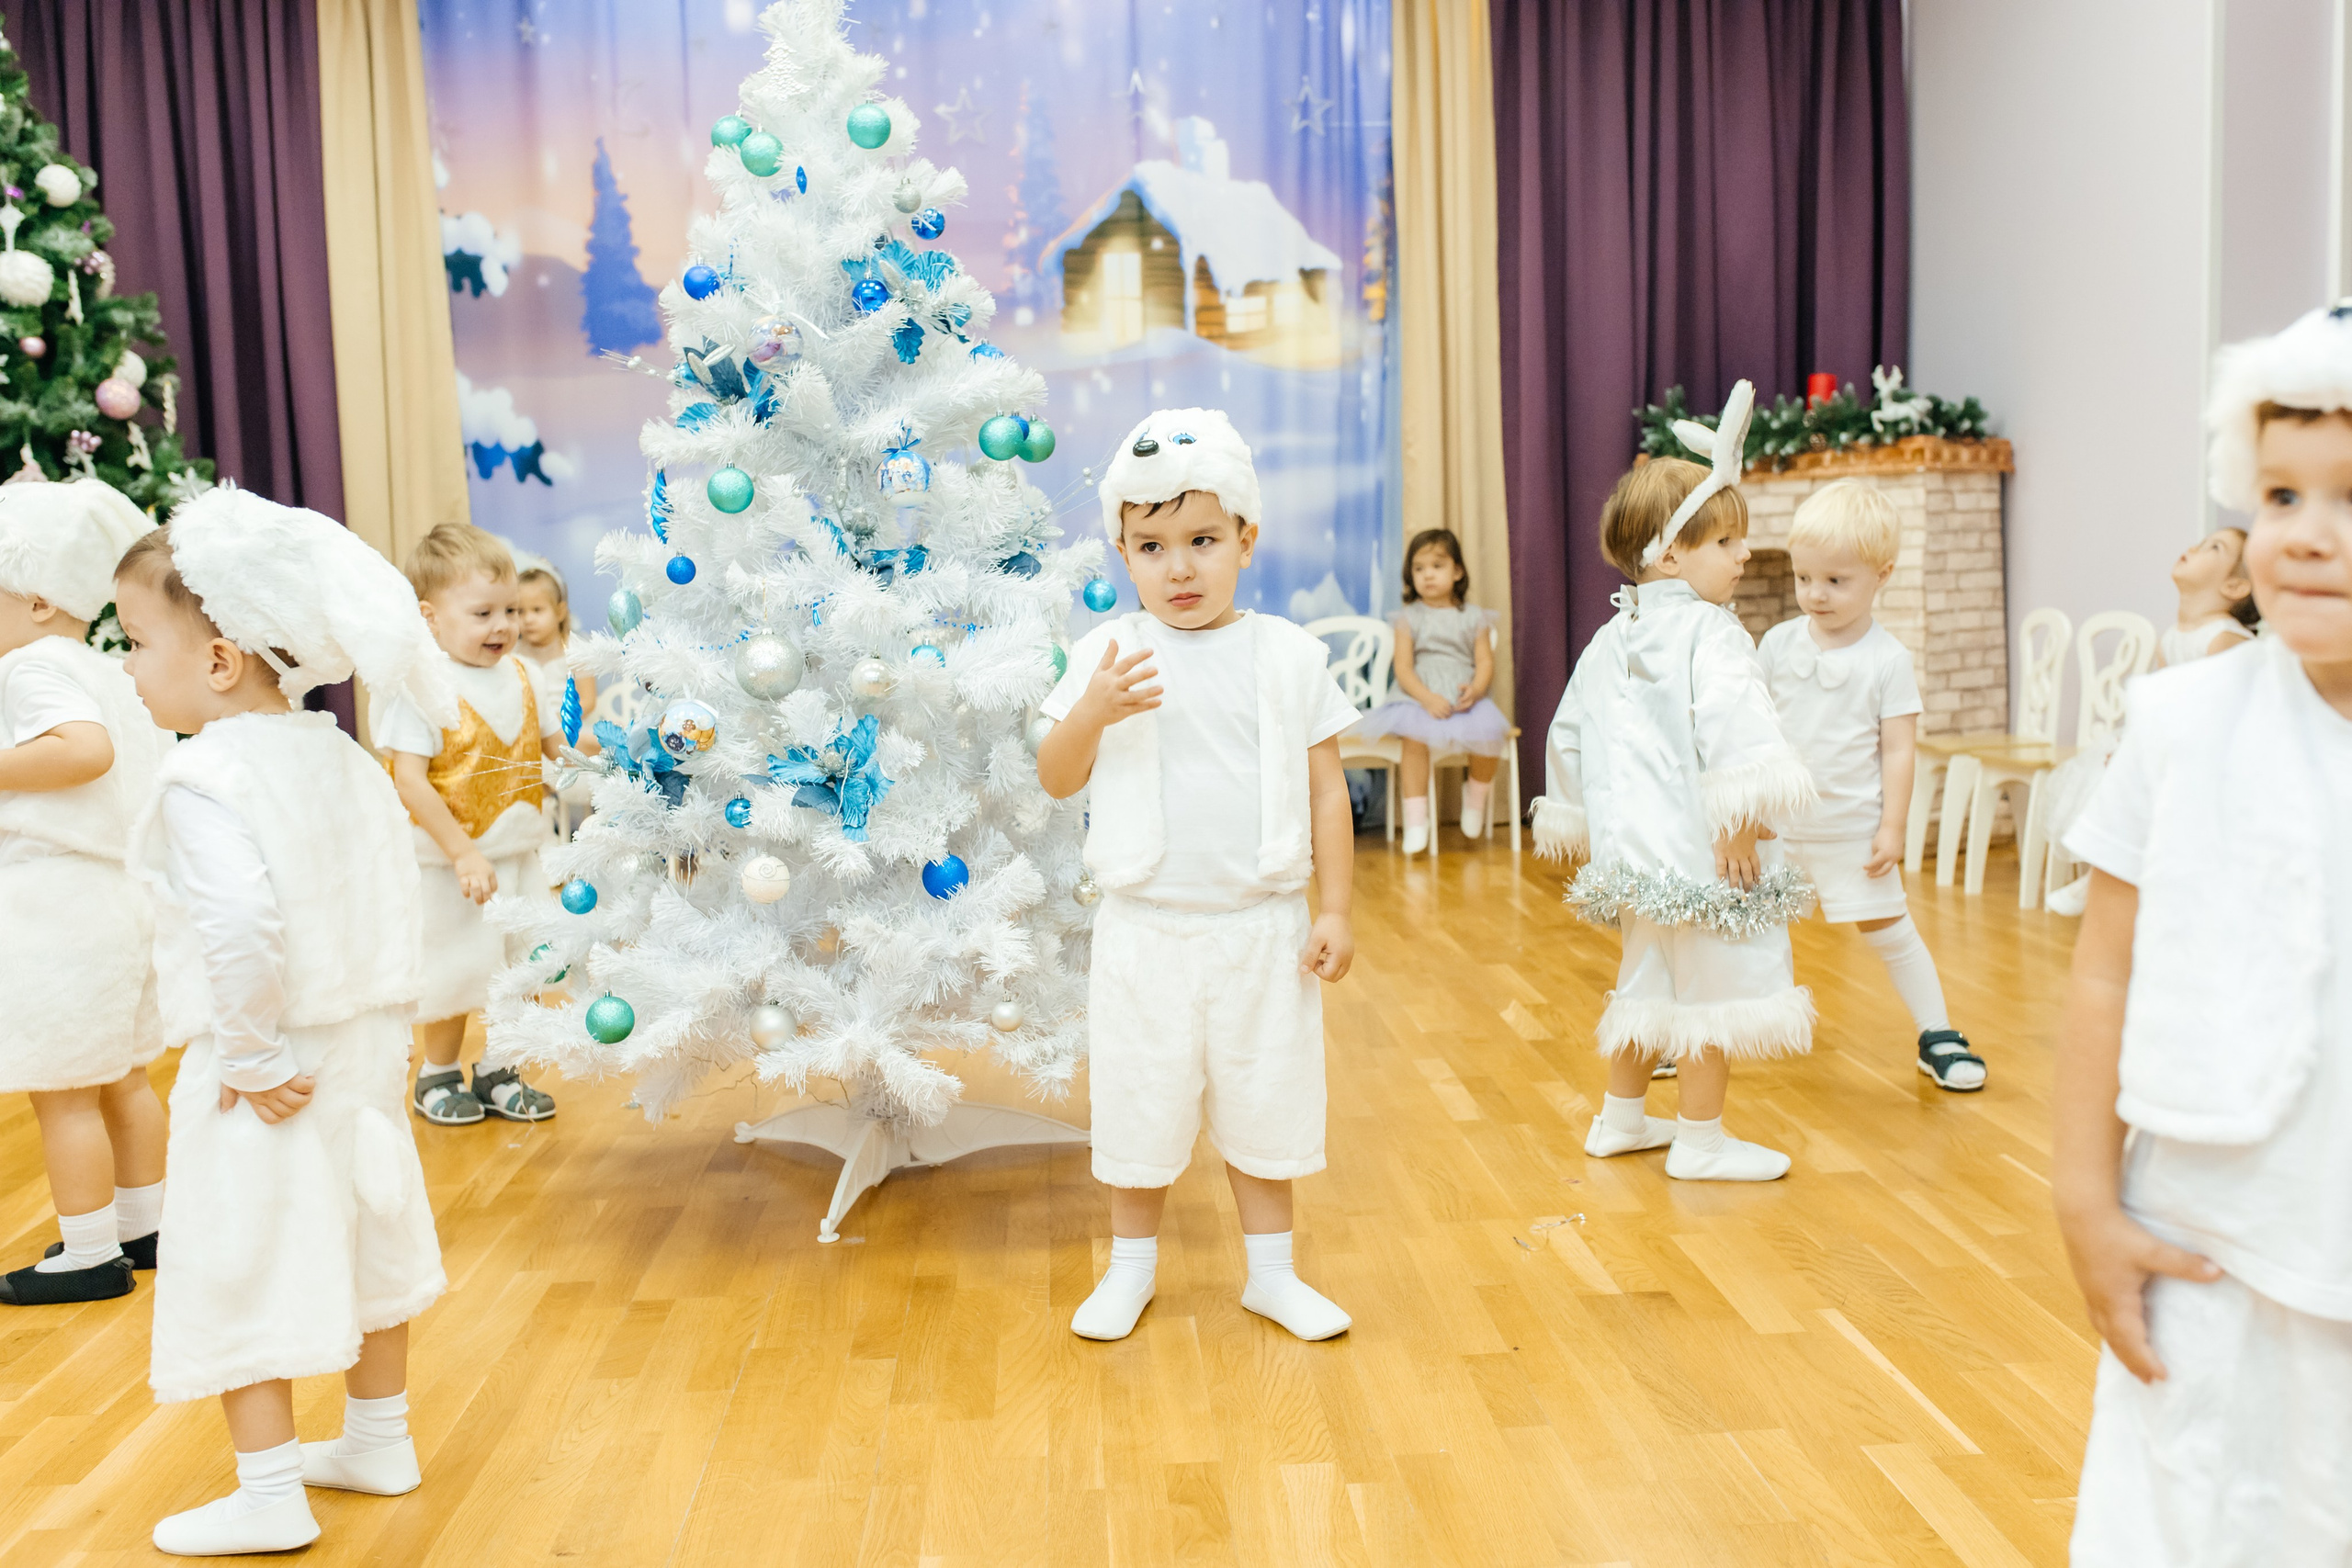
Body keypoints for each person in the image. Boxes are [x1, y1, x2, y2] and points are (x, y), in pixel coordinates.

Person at [2055, 303, 2352, 1566]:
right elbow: (2101, 970)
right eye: (2281, 494)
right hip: (2204, 1237)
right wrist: (2084, 1199)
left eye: (2348, 496)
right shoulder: (2180, 722)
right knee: (2183, 1518)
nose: (2306, 534)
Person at [114, 489, 450, 1555]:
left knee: (240, 1250)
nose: (125, 668)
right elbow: (391, 892)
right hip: (360, 1045)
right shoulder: (345, 759)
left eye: (133, 643)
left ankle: (266, 1495)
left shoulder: (204, 774)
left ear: (216, 661)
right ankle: (376, 1437)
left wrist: (252, 1053)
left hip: (267, 1058)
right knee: (368, 1224)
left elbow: (241, 927)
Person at [1036, 408, 1362, 1343]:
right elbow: (1057, 778)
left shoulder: (1288, 656)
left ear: (1246, 540)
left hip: (1261, 930)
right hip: (1145, 932)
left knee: (1266, 1096)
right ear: (1122, 554)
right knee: (1141, 1100)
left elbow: (1327, 792)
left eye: (1202, 540)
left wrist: (1333, 907)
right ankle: (1128, 1272)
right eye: (1151, 546)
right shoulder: (1107, 653)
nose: (1178, 567)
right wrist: (1090, 712)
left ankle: (1271, 1275)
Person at [1534, 383, 1816, 1180]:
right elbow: (1732, 726)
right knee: (1713, 993)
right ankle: (1700, 1140)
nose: (1744, 556)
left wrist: (1584, 826)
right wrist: (1735, 824)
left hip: (1637, 857)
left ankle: (1620, 1120)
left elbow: (1568, 735)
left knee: (1647, 979)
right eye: (1725, 542)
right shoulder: (1711, 634)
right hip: (1701, 854)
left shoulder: (1612, 634)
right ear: (1668, 553)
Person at [0, 479, 172, 1305]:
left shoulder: (30, 667)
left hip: (59, 906)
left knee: (61, 1089)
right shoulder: (106, 666)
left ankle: (88, 1251)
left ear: (35, 602)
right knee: (125, 1077)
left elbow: (84, 752)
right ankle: (146, 1225)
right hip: (120, 899)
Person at [1757, 480, 1984, 1091]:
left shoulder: (1887, 659)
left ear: (1881, 575)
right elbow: (1749, 726)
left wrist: (1892, 826)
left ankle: (1937, 1032)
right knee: (1737, 927)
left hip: (1850, 830)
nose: (1815, 594)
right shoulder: (1778, 644)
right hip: (1774, 825)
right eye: (1805, 578)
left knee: (1889, 930)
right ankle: (1695, 1030)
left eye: (1836, 580)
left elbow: (1899, 747)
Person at [373, 523, 560, 1126]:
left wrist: (612, 765)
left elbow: (556, 745)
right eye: (482, 612)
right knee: (455, 971)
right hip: (453, 863)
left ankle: (501, 1066)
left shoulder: (526, 676)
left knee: (518, 966)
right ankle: (439, 1073)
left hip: (518, 853)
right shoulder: (422, 686)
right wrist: (461, 853)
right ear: (430, 617)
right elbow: (409, 779)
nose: (502, 625)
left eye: (509, 609)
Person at [1347, 527, 1511, 849]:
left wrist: (1476, 691)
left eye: (1437, 566)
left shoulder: (1474, 617)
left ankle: (1475, 797)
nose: (1428, 576)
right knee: (1414, 740)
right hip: (1417, 698)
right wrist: (1426, 698)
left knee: (1490, 734)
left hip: (1463, 698)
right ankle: (1416, 819)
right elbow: (1404, 669)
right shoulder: (1409, 618)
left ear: (1457, 571)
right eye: (1419, 569)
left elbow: (1485, 663)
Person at [515, 558, 595, 839]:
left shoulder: (574, 649)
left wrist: (564, 724)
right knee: (525, 756)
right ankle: (544, 828)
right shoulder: (515, 655)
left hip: (568, 725)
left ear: (560, 611)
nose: (527, 619)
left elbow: (588, 700)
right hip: (535, 732)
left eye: (537, 610)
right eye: (520, 611)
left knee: (588, 742)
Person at [2155, 526, 2260, 667]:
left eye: (2215, 547)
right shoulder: (2169, 639)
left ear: (2234, 587)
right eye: (2200, 544)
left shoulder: (2224, 638)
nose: (2192, 549)